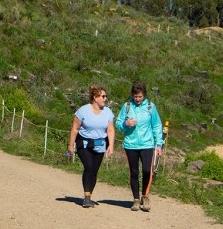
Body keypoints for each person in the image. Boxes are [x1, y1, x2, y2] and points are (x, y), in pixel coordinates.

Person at [115, 82, 163, 212]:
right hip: (131, 144)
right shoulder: (127, 106)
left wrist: (159, 144)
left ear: (144, 95)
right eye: (136, 96)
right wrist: (126, 123)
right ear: (132, 95)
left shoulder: (150, 107)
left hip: (147, 144)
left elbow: (157, 125)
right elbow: (118, 124)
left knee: (147, 170)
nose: (138, 99)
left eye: (140, 96)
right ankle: (136, 199)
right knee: (134, 172)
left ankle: (145, 196)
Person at [68, 85, 115, 208]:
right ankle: (86, 197)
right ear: (95, 97)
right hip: (83, 143)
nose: (105, 98)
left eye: (105, 96)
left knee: (94, 170)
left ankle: (89, 196)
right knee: (89, 167)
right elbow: (75, 128)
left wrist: (111, 145)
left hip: (100, 144)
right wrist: (71, 145)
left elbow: (110, 130)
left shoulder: (108, 112)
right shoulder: (83, 111)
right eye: (103, 96)